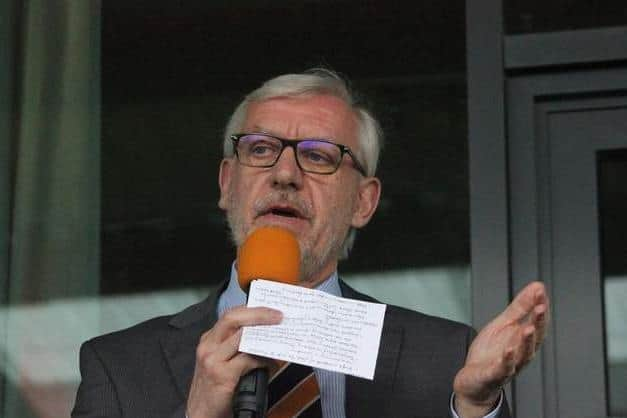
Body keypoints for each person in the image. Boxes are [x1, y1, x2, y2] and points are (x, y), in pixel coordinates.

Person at [72, 69, 549, 418]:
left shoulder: (447, 358)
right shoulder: (117, 367)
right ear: (226, 184)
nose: (284, 175)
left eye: (318, 156)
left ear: (364, 201)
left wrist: (473, 407)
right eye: (260, 149)